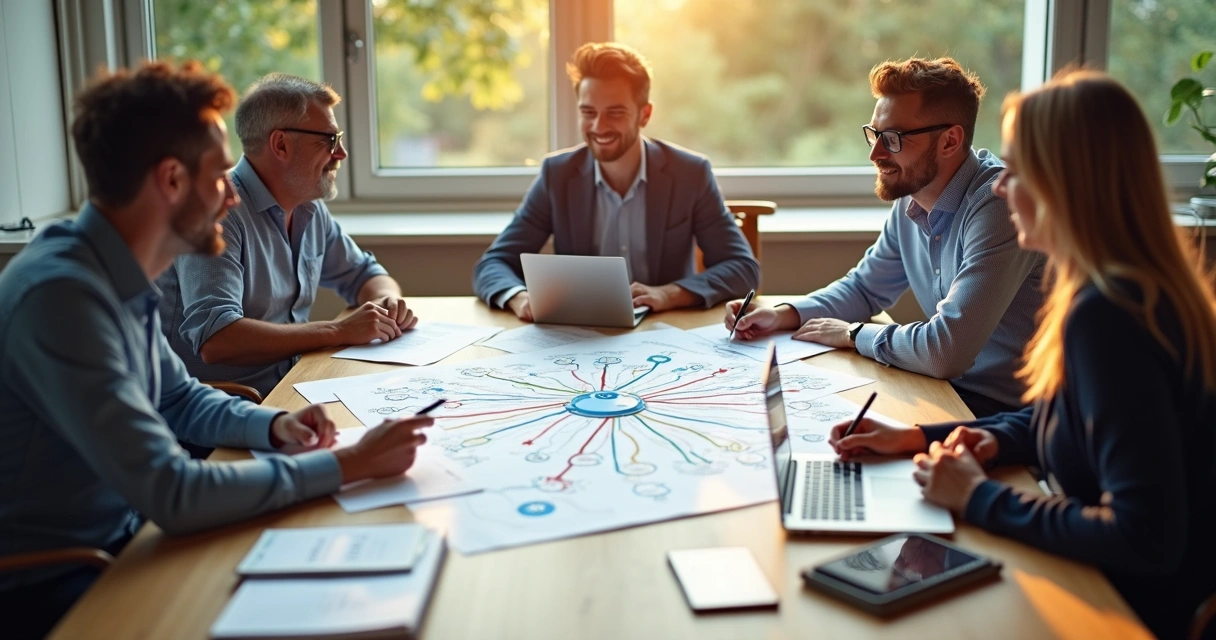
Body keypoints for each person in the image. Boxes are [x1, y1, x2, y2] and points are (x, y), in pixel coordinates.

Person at [0, 61, 431, 640]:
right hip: (53, 583)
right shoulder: (63, 297)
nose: (232, 193)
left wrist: (275, 428)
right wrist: (345, 464)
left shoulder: (115, 269)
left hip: (129, 535)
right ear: (172, 180)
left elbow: (178, 397)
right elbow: (172, 491)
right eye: (218, 174)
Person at [828, 70, 1216, 639]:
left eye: (1019, 169)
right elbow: (1072, 415)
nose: (1001, 186)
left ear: (1067, 182)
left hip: (1132, 612)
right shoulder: (1119, 288)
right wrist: (923, 437)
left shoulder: (1107, 317)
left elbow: (1145, 537)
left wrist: (978, 496)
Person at [727, 57, 1044, 418]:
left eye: (892, 139)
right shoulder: (914, 195)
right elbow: (865, 288)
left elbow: (946, 352)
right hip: (945, 393)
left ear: (950, 141)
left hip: (1011, 417)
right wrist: (783, 315)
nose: (875, 154)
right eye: (874, 134)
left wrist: (852, 335)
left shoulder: (998, 206)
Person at [158, 73, 415, 398]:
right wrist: (338, 330)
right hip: (229, 407)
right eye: (330, 140)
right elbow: (216, 339)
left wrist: (385, 305)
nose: (342, 154)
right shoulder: (218, 211)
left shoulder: (309, 208)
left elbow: (366, 274)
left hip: (294, 387)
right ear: (280, 144)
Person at [473, 42, 760, 319]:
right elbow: (493, 263)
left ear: (644, 115)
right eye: (588, 112)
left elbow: (742, 268)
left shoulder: (690, 173)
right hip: (582, 336)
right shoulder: (557, 175)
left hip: (666, 332)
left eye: (615, 112)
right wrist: (519, 298)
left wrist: (668, 294)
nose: (599, 127)